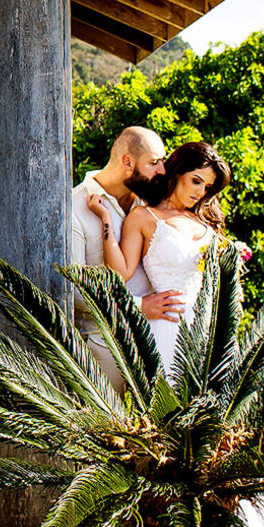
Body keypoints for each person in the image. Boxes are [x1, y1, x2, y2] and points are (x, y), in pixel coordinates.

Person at [87, 140, 264, 527]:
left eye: (208, 186)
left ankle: (222, 520)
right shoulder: (143, 218)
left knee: (216, 431)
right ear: (176, 173)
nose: (200, 192)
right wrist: (107, 220)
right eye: (196, 180)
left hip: (209, 336)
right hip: (165, 333)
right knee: (166, 430)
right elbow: (121, 273)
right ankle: (162, 522)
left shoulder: (205, 223)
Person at [68, 126, 183, 392]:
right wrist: (139, 306)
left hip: (161, 337)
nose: (162, 170)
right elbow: (74, 289)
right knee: (109, 431)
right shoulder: (74, 208)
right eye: (154, 163)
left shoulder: (150, 205)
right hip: (104, 345)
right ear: (127, 162)